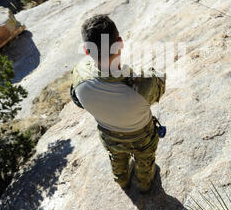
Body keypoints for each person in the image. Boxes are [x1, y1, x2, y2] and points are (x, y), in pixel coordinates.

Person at [70, 15, 166, 193]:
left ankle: (122, 181)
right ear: (120, 43)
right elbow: (159, 88)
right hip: (142, 136)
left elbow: (76, 100)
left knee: (116, 157)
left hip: (109, 134)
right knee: (145, 161)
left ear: (86, 51)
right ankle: (145, 185)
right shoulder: (145, 83)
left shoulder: (79, 76)